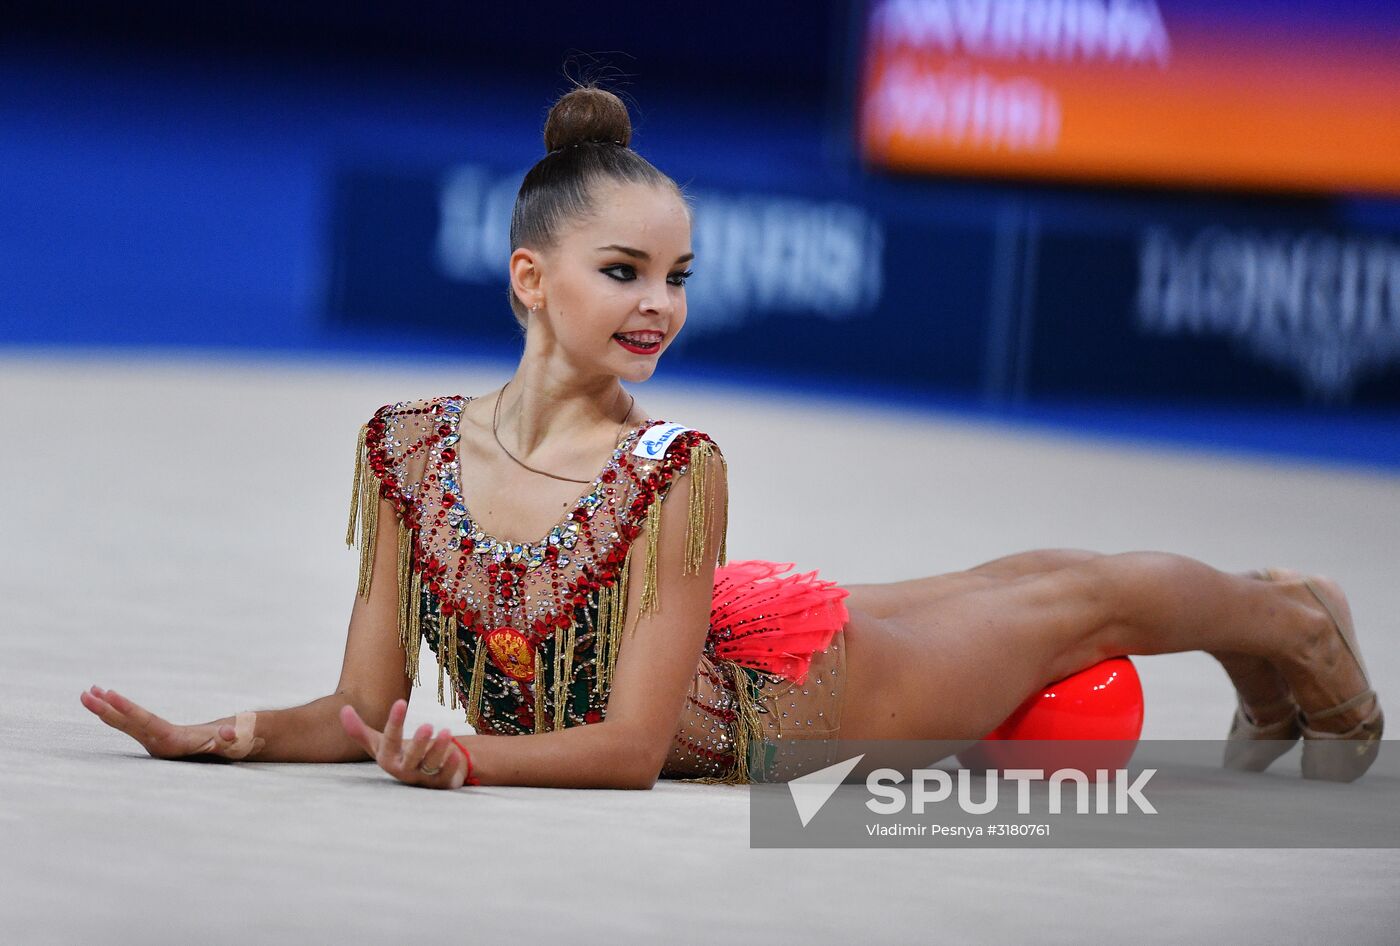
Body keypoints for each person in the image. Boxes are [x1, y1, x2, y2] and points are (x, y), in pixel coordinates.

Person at [80, 84, 1384, 790]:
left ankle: (1293, 629)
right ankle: (1271, 608)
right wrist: (233, 733)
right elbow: (361, 707)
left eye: (678, 275)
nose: (661, 305)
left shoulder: (673, 465)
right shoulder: (407, 449)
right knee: (1019, 590)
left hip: (785, 704)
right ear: (532, 278)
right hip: (720, 635)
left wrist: (467, 754)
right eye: (625, 270)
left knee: (1067, 605)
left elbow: (631, 749)